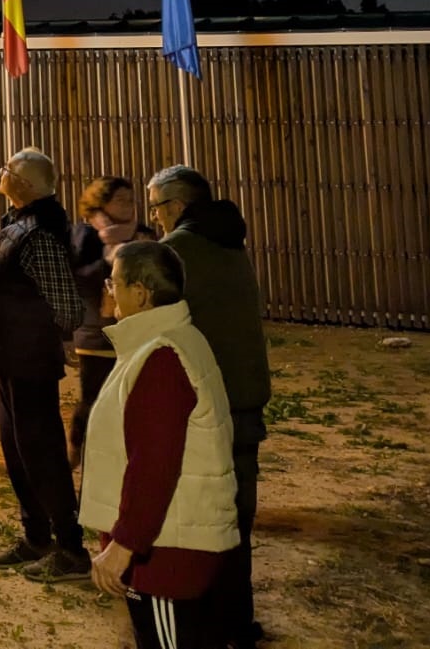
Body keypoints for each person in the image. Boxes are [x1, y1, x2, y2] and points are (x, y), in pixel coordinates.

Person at [81, 241, 240, 648]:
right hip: (172, 540)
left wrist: (124, 545)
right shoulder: (175, 340)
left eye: (114, 283)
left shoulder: (162, 358)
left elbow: (154, 465)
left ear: (141, 293)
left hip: (166, 553)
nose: (108, 291)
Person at [147, 166, 272, 649]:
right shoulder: (229, 242)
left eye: (157, 207)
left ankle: (205, 624)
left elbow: (155, 328)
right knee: (238, 515)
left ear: (177, 206)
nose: (154, 217)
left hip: (205, 405)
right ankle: (238, 622)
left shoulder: (177, 251)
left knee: (203, 519)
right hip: (244, 396)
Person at [0, 148, 87, 581]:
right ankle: (37, 536)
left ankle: (70, 548)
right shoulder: (19, 225)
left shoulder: (39, 236)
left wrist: (29, 327)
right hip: (9, 356)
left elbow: (68, 309)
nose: (1, 173)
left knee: (42, 453)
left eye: (8, 170)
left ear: (26, 185)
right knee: (17, 451)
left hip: (29, 361)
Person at [68, 176, 153, 467]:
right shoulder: (85, 235)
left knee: (132, 396)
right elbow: (77, 278)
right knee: (94, 396)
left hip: (136, 330)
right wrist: (110, 261)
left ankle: (124, 455)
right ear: (101, 203)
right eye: (120, 200)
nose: (128, 205)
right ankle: (78, 447)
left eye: (131, 199)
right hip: (96, 331)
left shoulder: (143, 234)